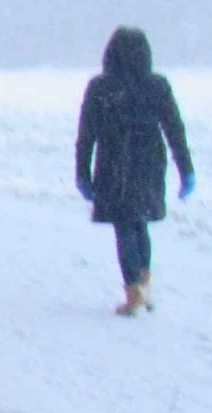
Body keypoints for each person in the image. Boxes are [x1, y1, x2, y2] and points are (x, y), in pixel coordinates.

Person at [75, 26, 194, 316]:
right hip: (149, 161)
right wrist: (186, 170)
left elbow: (86, 134)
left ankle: (134, 294)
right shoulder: (157, 86)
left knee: (125, 225)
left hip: (114, 161)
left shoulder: (101, 87)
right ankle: (143, 286)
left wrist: (82, 173)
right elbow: (174, 130)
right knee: (139, 222)